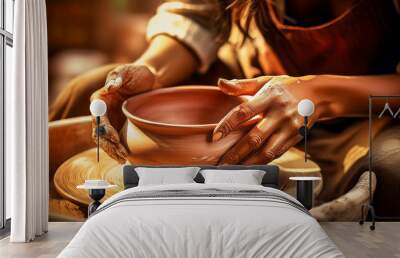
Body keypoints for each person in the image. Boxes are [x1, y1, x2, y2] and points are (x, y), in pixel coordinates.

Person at [50, 0, 400, 216]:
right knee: (89, 94)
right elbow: (199, 15)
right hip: (245, 85)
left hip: (364, 109)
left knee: (393, 167)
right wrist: (154, 71)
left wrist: (320, 93)